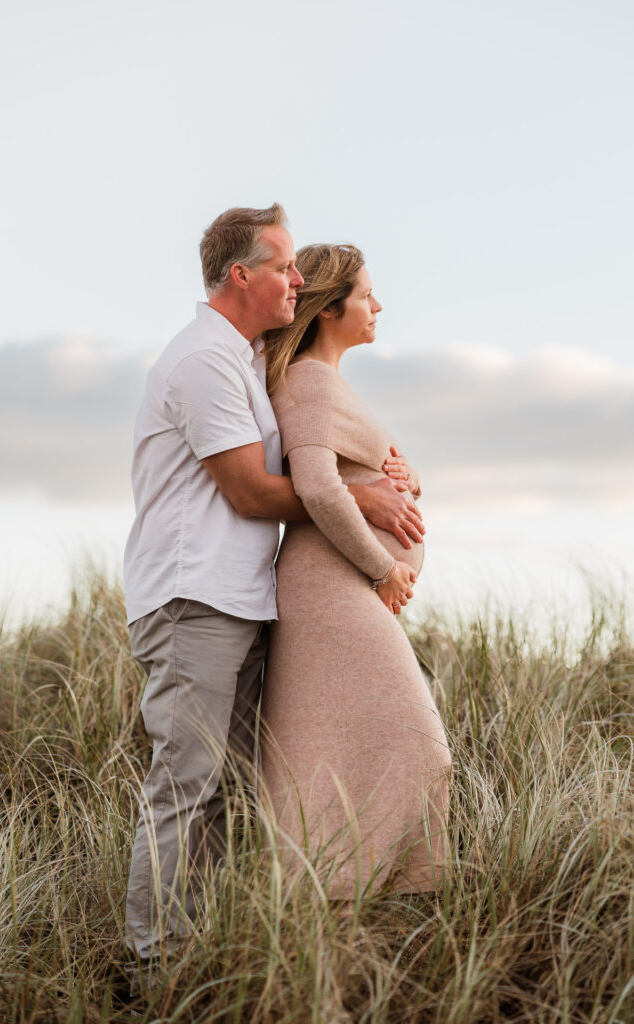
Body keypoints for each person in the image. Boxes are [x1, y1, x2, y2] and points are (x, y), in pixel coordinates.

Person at [122, 206, 426, 960]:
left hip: (244, 599)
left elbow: (315, 443)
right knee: (185, 784)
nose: (297, 279)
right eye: (285, 267)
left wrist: (390, 468)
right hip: (195, 599)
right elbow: (252, 492)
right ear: (241, 275)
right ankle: (153, 963)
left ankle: (203, 952)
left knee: (225, 793)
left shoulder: (251, 363)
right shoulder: (203, 363)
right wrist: (355, 497)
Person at [261, 243, 452, 899]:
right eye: (366, 293)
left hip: (343, 589)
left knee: (343, 756)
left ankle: (346, 915)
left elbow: (363, 466)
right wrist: (381, 569)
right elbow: (316, 486)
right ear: (328, 306)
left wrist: (403, 473)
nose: (376, 304)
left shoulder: (327, 383)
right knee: (412, 747)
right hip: (333, 591)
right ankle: (353, 898)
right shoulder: (310, 381)